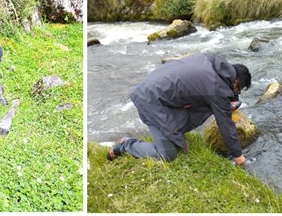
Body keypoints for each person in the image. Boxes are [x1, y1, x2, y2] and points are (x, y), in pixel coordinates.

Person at [107, 53, 252, 166]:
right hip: (150, 101)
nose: (235, 94)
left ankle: (172, 134)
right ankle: (126, 144)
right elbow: (225, 125)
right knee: (168, 155)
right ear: (236, 83)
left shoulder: (210, 60)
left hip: (154, 89)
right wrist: (238, 156)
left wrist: (226, 104)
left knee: (207, 107)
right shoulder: (216, 88)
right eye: (238, 90)